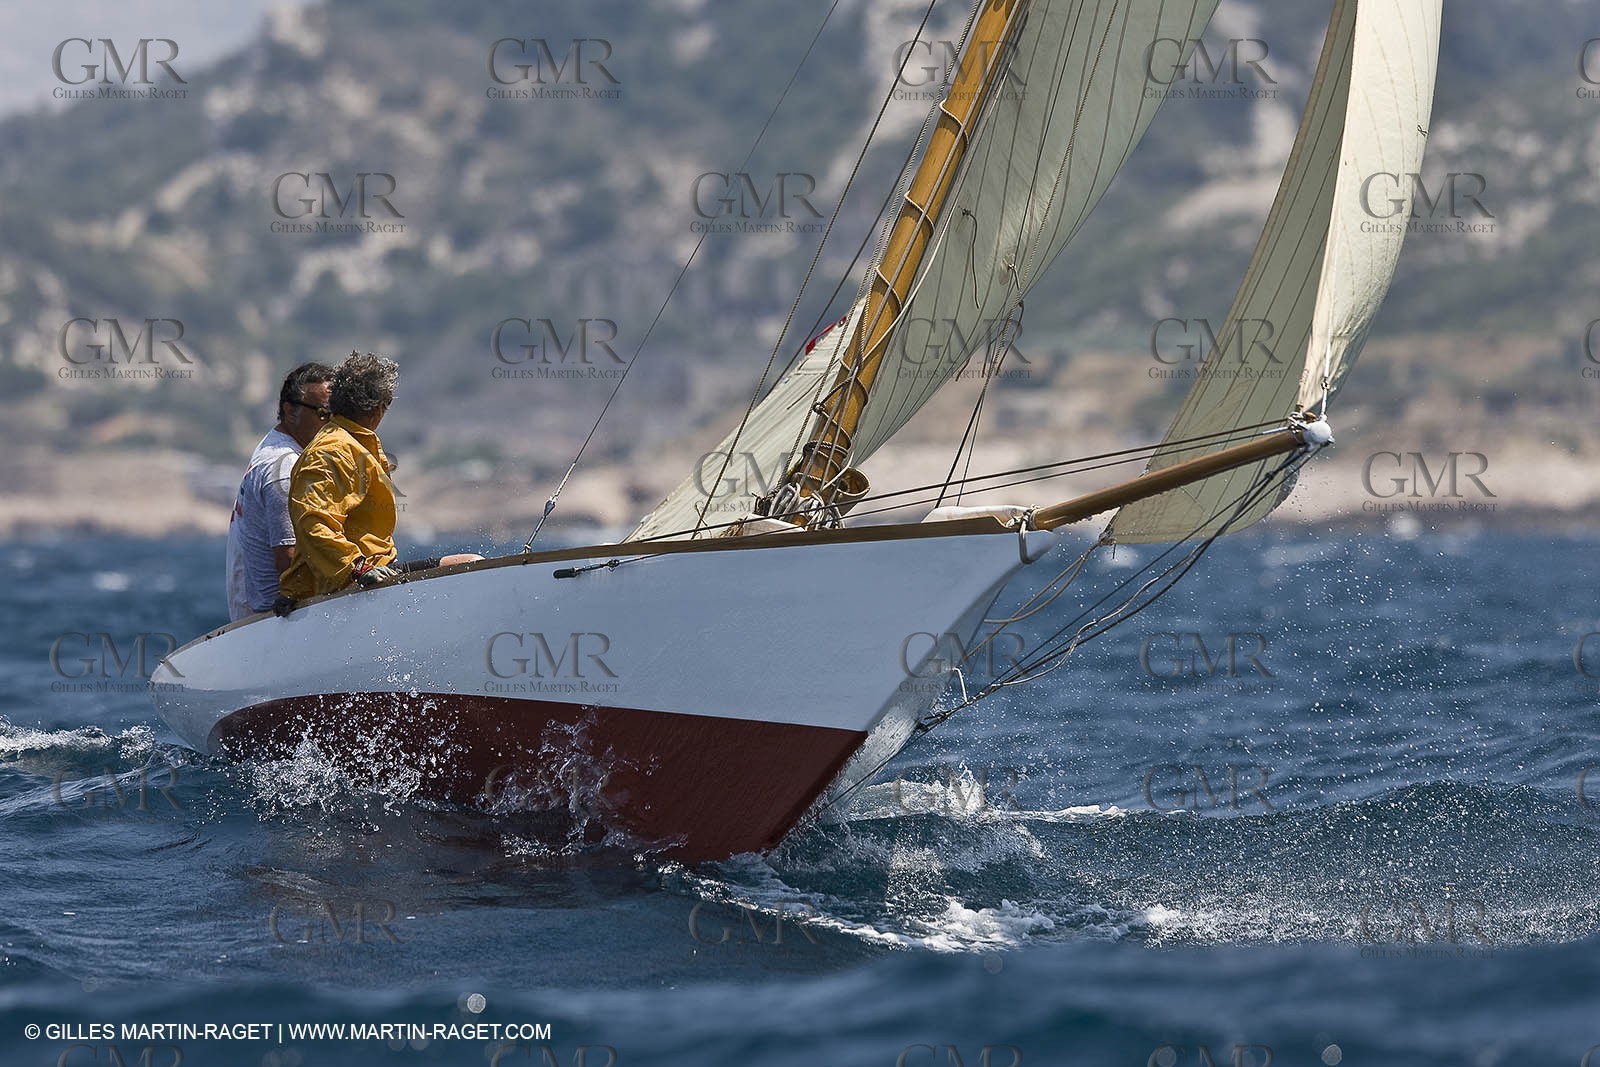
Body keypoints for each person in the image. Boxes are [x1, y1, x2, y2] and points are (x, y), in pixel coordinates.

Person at [276, 351, 480, 610]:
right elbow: (314, 524)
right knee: (471, 564)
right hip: (356, 580)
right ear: (378, 408)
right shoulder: (332, 450)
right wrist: (357, 568)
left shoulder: (351, 442)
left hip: (369, 573)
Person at [224, 362, 335, 621]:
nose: (331, 423)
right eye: (322, 413)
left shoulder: (273, 443)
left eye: (335, 413)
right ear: (290, 411)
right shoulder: (284, 466)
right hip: (271, 621)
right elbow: (289, 563)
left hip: (257, 619)